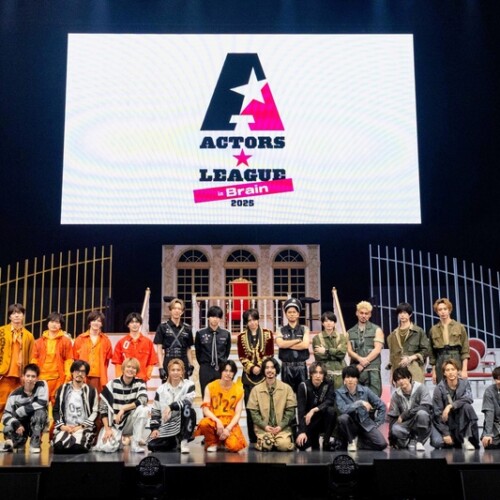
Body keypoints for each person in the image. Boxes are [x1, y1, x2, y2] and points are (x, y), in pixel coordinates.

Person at [94, 357, 150, 453]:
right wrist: (107, 429)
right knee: (106, 448)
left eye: (134, 368)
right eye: (128, 367)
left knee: (143, 409)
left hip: (131, 421)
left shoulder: (140, 383)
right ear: (123, 368)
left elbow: (143, 399)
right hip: (115, 424)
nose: (131, 369)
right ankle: (119, 440)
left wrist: (123, 408)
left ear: (136, 371)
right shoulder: (112, 384)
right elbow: (103, 408)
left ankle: (135, 443)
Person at [236, 308, 275, 444]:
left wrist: (260, 366)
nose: (252, 323)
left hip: (264, 376)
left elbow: (270, 354)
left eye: (255, 320)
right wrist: (252, 368)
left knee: (265, 407)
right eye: (249, 321)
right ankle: (253, 438)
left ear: (258, 320)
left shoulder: (268, 334)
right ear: (246, 322)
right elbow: (241, 356)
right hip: (248, 377)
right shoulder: (241, 337)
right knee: (250, 407)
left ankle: (266, 435)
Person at [194, 359, 247, 452]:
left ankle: (223, 441)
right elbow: (205, 409)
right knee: (204, 423)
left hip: (230, 422)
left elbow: (238, 414)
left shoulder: (239, 390)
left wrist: (228, 429)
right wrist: (217, 421)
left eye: (231, 371)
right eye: (225, 370)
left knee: (235, 446)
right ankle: (213, 443)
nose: (228, 373)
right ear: (221, 372)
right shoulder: (210, 386)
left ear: (234, 373)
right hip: (214, 420)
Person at [247, 356, 297, 452]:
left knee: (283, 446)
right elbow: (254, 413)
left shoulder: (287, 388)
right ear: (263, 370)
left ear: (276, 369)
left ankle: (279, 440)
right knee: (266, 445)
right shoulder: (256, 390)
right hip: (263, 428)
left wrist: (280, 426)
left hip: (282, 428)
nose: (270, 370)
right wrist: (264, 426)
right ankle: (267, 441)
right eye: (267, 367)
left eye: (272, 367)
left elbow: (290, 412)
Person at [148, 358, 196, 454]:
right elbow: (155, 410)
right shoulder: (161, 389)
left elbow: (188, 401)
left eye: (178, 370)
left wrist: (171, 407)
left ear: (182, 372)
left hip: (183, 421)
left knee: (188, 410)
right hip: (168, 424)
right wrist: (155, 428)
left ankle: (184, 440)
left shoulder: (189, 385)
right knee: (152, 445)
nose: (175, 372)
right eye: (173, 370)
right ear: (169, 372)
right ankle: (174, 440)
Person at [335, 365, 388, 451]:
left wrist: (377, 423)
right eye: (347, 377)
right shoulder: (339, 392)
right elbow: (343, 409)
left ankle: (361, 443)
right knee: (343, 418)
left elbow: (382, 405)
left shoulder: (365, 390)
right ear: (344, 379)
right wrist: (360, 403)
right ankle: (351, 442)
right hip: (350, 425)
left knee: (382, 444)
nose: (350, 380)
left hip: (365, 423)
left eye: (353, 377)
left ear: (357, 379)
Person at [431, 358, 479, 450]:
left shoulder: (465, 383)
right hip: (446, 421)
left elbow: (468, 398)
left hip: (461, 419)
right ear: (444, 373)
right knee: (437, 443)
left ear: (457, 371)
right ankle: (454, 438)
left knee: (467, 407)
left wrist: (450, 406)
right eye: (447, 370)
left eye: (453, 369)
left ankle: (466, 438)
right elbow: (437, 414)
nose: (451, 372)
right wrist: (445, 433)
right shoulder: (439, 389)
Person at [52, 360, 99, 454]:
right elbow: (56, 410)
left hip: (82, 427)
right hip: (66, 427)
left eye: (83, 371)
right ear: (72, 372)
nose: (80, 374)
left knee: (78, 448)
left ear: (86, 374)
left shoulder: (91, 390)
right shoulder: (63, 388)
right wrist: (62, 426)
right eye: (77, 371)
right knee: (59, 448)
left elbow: (95, 412)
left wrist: (81, 426)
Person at [1, 363, 48, 453]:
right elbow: (5, 416)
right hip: (21, 425)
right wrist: (16, 424)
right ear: (23, 377)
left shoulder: (42, 385)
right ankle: (18, 441)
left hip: (35, 424)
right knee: (7, 429)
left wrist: (20, 411)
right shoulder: (14, 395)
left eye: (33, 376)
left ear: (37, 378)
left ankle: (35, 443)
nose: (30, 379)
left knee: (41, 412)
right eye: (28, 376)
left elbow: (42, 402)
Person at [31, 312, 73, 404]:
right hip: (41, 379)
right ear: (47, 323)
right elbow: (34, 361)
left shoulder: (66, 341)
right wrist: (33, 376)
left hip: (58, 379)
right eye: (52, 321)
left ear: (60, 325)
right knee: (40, 404)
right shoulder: (38, 342)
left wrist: (67, 377)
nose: (54, 324)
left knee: (57, 404)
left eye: (57, 322)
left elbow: (68, 360)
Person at [0, 303, 35, 416]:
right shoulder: (1, 331)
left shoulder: (28, 336)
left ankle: (10, 427)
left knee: (16, 407)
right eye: (13, 313)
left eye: (19, 313)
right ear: (9, 316)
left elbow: (31, 357)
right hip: (4, 375)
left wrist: (28, 375)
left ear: (23, 316)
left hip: (19, 377)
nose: (16, 315)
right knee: (1, 404)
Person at [387, 366, 432, 451]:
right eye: (398, 379)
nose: (401, 381)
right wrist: (391, 438)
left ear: (409, 377)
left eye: (403, 378)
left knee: (422, 413)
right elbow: (393, 417)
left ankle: (419, 441)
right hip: (406, 424)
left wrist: (404, 414)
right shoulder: (396, 395)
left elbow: (426, 406)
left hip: (419, 421)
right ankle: (410, 438)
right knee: (395, 428)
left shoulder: (420, 388)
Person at [295, 361, 337, 451]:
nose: (318, 376)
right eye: (315, 372)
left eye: (321, 373)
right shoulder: (303, 386)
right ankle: (314, 439)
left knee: (331, 411)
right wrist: (302, 431)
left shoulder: (328, 384)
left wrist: (314, 410)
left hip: (322, 420)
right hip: (309, 421)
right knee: (301, 444)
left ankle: (326, 442)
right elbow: (301, 410)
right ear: (311, 374)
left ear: (324, 375)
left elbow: (330, 401)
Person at [347, 300, 385, 397]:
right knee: (357, 397)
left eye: (366, 313)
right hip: (357, 369)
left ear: (370, 315)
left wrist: (364, 362)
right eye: (361, 313)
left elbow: (377, 349)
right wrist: (359, 360)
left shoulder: (377, 330)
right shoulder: (350, 332)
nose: (363, 316)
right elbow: (349, 351)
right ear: (357, 313)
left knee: (374, 396)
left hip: (372, 369)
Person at [428, 298, 470, 384]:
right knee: (441, 387)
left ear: (449, 310)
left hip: (455, 358)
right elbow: (432, 354)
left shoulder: (459, 327)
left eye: (445, 309)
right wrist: (434, 372)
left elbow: (465, 350)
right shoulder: (433, 329)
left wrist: (464, 370)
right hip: (440, 359)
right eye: (440, 309)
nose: (443, 312)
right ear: (437, 312)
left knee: (457, 387)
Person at [386, 302, 430, 383]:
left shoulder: (418, 332)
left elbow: (426, 350)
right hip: (399, 374)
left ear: (410, 314)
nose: (402, 315)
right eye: (400, 313)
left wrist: (411, 358)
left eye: (405, 313)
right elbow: (392, 357)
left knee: (416, 390)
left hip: (414, 371)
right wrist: (391, 375)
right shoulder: (392, 335)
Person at [194, 305, 231, 397]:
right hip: (206, 368)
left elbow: (227, 352)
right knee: (206, 395)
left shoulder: (226, 334)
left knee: (221, 395)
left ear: (220, 319)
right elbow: (198, 352)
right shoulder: (200, 333)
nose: (215, 319)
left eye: (217, 317)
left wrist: (221, 362)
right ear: (208, 318)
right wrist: (204, 364)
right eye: (213, 316)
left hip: (220, 368)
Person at [154, 298, 194, 382]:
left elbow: (188, 349)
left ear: (182, 312)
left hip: (183, 360)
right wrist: (161, 367)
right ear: (170, 310)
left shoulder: (187, 328)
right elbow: (159, 349)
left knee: (183, 386)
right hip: (168, 359)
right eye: (174, 308)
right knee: (167, 386)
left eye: (179, 309)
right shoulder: (162, 327)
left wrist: (191, 364)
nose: (177, 311)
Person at [73, 310, 113, 393]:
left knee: (96, 398)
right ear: (89, 322)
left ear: (102, 324)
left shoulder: (106, 340)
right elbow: (75, 359)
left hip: (99, 376)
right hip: (82, 375)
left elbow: (107, 360)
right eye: (94, 320)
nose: (96, 323)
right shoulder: (80, 339)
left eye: (99, 321)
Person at [111, 312, 158, 383]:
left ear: (140, 324)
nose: (134, 324)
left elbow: (151, 362)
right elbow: (117, 363)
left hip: (141, 380)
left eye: (137, 322)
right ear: (128, 325)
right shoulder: (121, 342)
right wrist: (120, 378)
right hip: (125, 380)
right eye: (132, 322)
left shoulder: (147, 342)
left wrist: (147, 376)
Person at [276, 298, 310, 394]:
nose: (292, 314)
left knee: (302, 394)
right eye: (289, 312)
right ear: (286, 314)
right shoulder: (280, 329)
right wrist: (297, 341)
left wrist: (286, 344)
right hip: (286, 366)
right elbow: (280, 344)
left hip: (301, 366)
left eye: (294, 312)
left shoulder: (304, 329)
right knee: (287, 394)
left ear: (298, 314)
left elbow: (305, 345)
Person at [312, 311, 348, 389]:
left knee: (340, 395)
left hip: (340, 375)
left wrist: (326, 351)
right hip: (325, 374)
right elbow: (319, 357)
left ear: (334, 323)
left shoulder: (341, 337)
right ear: (322, 323)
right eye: (326, 321)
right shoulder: (317, 338)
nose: (329, 323)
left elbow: (342, 354)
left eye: (331, 321)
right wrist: (336, 353)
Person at [481, 366, 500, 449]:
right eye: (497, 379)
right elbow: (489, 413)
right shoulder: (489, 391)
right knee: (489, 443)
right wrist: (488, 434)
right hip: (495, 425)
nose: (499, 381)